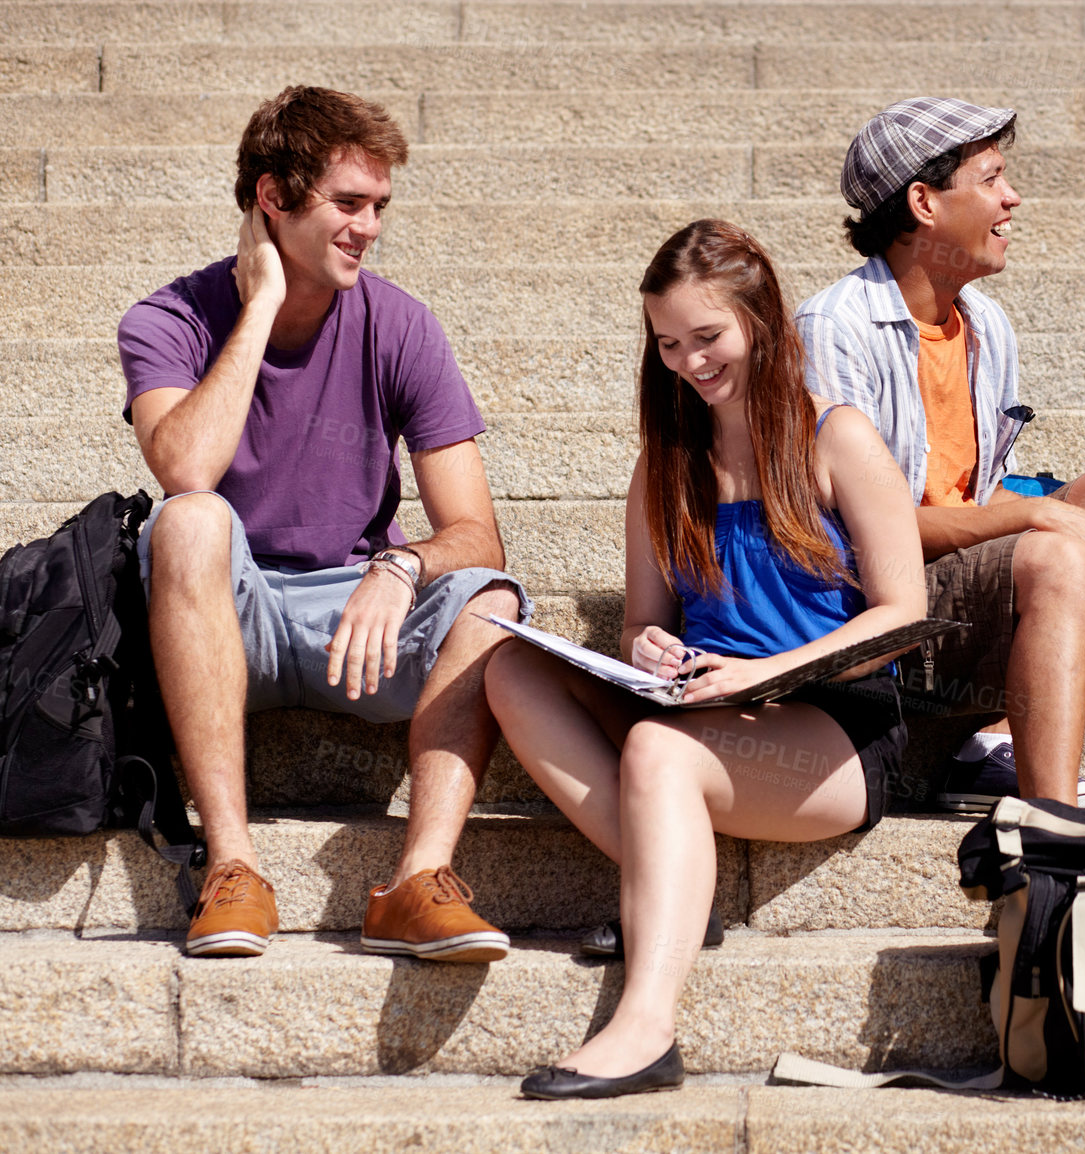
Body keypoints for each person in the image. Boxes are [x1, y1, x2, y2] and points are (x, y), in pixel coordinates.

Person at [486, 220, 926, 1099]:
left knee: (656, 750)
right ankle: (680, 891)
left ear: (760, 318)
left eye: (708, 336)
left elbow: (905, 612)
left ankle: (646, 1027)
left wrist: (763, 676)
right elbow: (643, 625)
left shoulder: (838, 438)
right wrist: (648, 647)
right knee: (507, 667)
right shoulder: (665, 466)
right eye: (669, 344)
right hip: (699, 707)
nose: (690, 361)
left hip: (834, 726)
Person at [118, 86, 529, 961]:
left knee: (491, 597)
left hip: (357, 621)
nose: (369, 227)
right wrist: (261, 306)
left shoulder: (403, 325)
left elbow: (476, 533)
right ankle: (233, 869)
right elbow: (185, 467)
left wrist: (399, 568)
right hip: (228, 614)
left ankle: (419, 881)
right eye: (348, 204)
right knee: (188, 521)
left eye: (378, 207)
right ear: (274, 197)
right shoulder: (168, 320)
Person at [797, 97, 1085, 813]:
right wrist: (1048, 524)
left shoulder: (986, 324)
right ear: (924, 203)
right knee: (1060, 553)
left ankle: (999, 739)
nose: (1012, 198)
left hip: (962, 583)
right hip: (876, 604)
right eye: (993, 178)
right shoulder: (836, 327)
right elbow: (864, 532)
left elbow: (976, 491)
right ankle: (1051, 819)